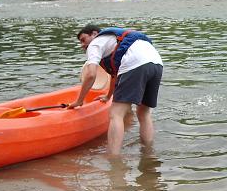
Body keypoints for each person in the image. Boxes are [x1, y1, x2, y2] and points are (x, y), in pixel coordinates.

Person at [69, 24, 164, 155]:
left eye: (83, 40)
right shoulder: (113, 40)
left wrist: (79, 101)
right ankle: (148, 152)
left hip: (135, 63)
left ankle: (114, 158)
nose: (82, 45)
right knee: (144, 113)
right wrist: (108, 96)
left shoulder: (95, 44)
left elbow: (90, 74)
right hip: (157, 64)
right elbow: (115, 75)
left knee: (116, 114)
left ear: (94, 34)